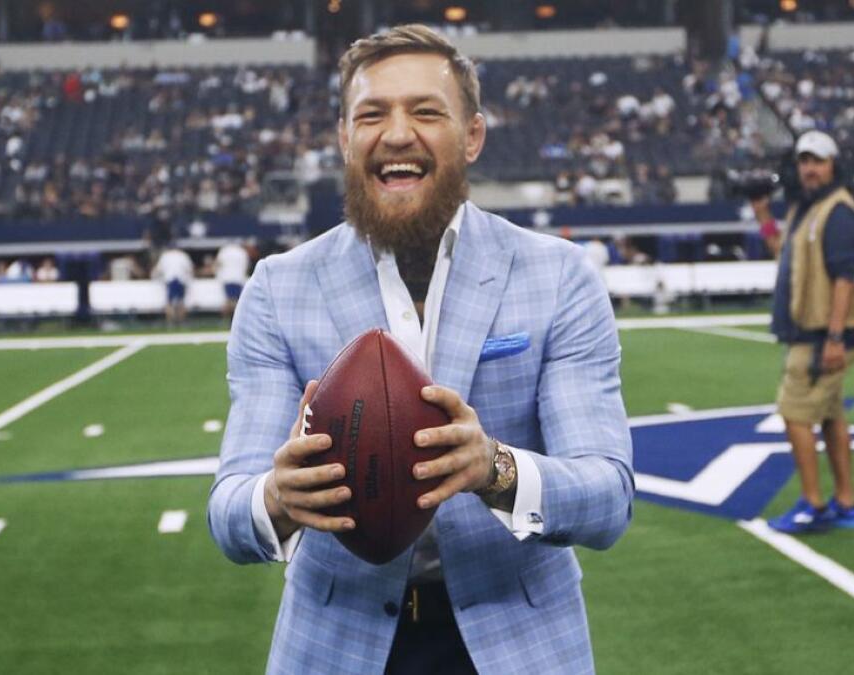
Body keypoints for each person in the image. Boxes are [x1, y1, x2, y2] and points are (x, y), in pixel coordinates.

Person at [208, 25, 633, 674]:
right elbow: (228, 509)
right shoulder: (279, 287)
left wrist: (495, 468)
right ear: (345, 139)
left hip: (520, 640)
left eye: (426, 112)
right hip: (334, 641)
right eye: (372, 114)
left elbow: (608, 498)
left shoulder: (558, 274)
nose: (398, 133)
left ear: (472, 137)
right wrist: (276, 495)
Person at [766, 130, 854, 535]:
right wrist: (761, 215)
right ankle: (846, 503)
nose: (808, 168)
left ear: (833, 165)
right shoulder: (809, 208)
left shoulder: (838, 211)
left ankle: (814, 504)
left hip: (822, 337)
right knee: (830, 419)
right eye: (804, 161)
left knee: (794, 415)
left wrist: (836, 337)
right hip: (814, 334)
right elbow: (783, 256)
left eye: (817, 160)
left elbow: (845, 278)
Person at [152, 243, 193, 326]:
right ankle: (181, 321)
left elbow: (158, 269)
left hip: (170, 279)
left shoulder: (165, 256)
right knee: (181, 302)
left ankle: (170, 322)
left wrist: (154, 277)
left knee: (169, 302)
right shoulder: (182, 255)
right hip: (181, 279)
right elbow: (189, 269)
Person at [214, 239, 250, 320]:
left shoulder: (225, 251)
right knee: (236, 301)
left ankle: (227, 319)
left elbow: (218, 264)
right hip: (238, 278)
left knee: (229, 300)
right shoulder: (242, 252)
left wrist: (217, 275)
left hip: (227, 278)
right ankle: (232, 319)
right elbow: (246, 266)